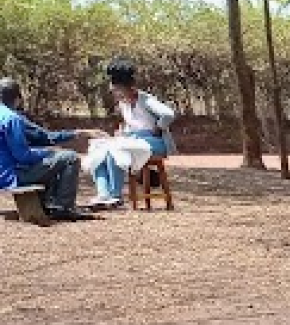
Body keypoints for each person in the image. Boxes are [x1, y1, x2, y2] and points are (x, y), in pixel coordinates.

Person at [82, 58, 176, 207]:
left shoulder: (145, 100)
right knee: (99, 148)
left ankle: (115, 195)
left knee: (116, 149)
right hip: (133, 141)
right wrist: (123, 133)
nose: (114, 91)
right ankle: (103, 194)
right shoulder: (123, 103)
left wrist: (158, 128)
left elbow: (168, 114)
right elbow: (133, 125)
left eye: (117, 88)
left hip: (154, 142)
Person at [0, 78, 91, 220]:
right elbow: (22, 156)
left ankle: (48, 203)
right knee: (70, 158)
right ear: (17, 99)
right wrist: (48, 151)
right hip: (9, 176)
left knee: (50, 161)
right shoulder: (12, 118)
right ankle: (63, 207)